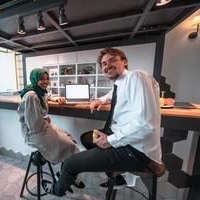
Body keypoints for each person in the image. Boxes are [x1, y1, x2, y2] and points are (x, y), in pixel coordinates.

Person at [42, 48, 165, 196]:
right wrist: (100, 99)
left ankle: (57, 190)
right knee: (87, 139)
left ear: (124, 61)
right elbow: (112, 94)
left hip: (136, 150)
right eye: (104, 63)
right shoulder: (121, 82)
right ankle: (116, 175)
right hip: (123, 137)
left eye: (112, 60)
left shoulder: (136, 76)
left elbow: (146, 124)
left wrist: (110, 140)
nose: (107, 66)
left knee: (70, 164)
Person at [17, 68, 84, 190]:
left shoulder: (38, 92)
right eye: (41, 79)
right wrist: (45, 121)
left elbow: (46, 96)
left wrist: (56, 98)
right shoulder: (31, 95)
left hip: (41, 127)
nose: (45, 81)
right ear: (34, 79)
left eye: (47, 78)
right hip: (34, 133)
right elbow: (34, 124)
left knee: (70, 138)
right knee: (71, 146)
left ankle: (64, 173)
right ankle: (65, 181)